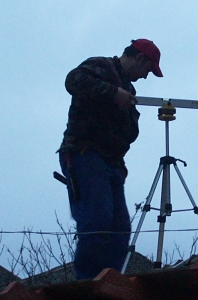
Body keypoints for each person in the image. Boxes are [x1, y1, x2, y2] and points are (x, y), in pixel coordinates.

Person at [58, 39, 163, 279]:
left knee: (120, 228)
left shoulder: (128, 89)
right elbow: (73, 80)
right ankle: (88, 283)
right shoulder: (102, 66)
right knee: (97, 220)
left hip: (111, 162)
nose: (145, 76)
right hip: (85, 153)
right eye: (147, 70)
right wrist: (112, 93)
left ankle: (110, 280)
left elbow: (125, 131)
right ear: (140, 58)